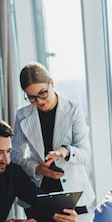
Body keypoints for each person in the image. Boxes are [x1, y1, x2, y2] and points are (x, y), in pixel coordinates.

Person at [12, 61, 95, 213]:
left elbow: (85, 154)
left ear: (51, 83)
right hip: (38, 192)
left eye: (42, 93)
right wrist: (37, 168)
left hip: (73, 193)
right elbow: (14, 155)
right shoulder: (22, 115)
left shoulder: (73, 110)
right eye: (32, 97)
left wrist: (65, 151)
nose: (39, 101)